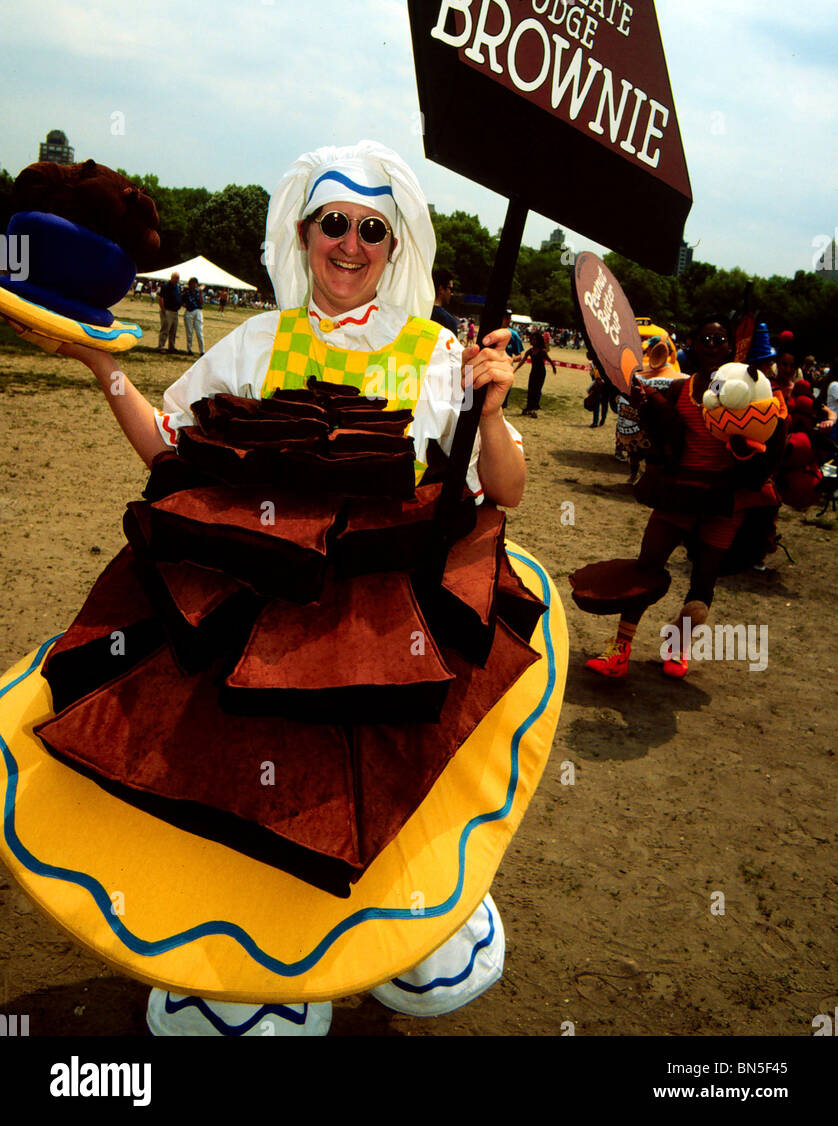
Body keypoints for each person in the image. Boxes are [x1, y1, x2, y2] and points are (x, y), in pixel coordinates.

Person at [8, 141, 546, 1038]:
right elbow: (172, 457)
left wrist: (488, 410)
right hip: (256, 620)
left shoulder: (440, 352)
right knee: (249, 794)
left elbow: (508, 490)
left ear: (394, 244)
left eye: (372, 228)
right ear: (303, 233)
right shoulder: (256, 340)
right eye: (333, 222)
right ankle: (247, 970)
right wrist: (105, 369)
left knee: (381, 786)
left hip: (380, 627)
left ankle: (406, 934)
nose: (350, 243)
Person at [584, 317, 785, 681]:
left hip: (725, 504)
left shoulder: (752, 395)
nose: (712, 345)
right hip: (677, 495)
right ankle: (619, 651)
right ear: (694, 343)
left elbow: (769, 443)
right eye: (705, 338)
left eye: (720, 339)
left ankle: (677, 646)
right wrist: (647, 406)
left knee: (702, 584)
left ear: (730, 347)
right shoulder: (679, 390)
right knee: (645, 569)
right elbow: (659, 435)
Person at [513, 328, 557, 417]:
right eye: (531, 339)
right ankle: (529, 407)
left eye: (534, 339)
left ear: (538, 341)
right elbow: (523, 360)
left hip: (541, 373)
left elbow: (550, 360)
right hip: (533, 372)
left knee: (537, 390)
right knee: (530, 390)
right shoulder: (530, 351)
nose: (532, 341)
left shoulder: (542, 351)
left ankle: (534, 409)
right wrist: (516, 369)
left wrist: (553, 368)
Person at [157, 270, 181, 351]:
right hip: (167, 310)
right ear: (172, 278)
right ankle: (161, 346)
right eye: (175, 278)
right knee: (165, 329)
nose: (177, 280)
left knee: (173, 331)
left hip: (175, 311)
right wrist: (163, 309)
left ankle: (172, 346)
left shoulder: (178, 287)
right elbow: (161, 298)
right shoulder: (165, 286)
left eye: (178, 278)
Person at [430, 266, 459, 335]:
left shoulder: (418, 312)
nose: (452, 294)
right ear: (441, 289)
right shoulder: (449, 322)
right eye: (451, 289)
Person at [182, 276, 205, 356]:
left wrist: (200, 293)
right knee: (189, 332)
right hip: (189, 311)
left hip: (198, 311)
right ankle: (189, 349)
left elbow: (202, 302)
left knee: (199, 332)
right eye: (192, 284)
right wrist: (186, 306)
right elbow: (182, 302)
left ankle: (202, 350)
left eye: (195, 284)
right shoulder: (186, 293)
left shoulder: (198, 292)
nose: (194, 285)